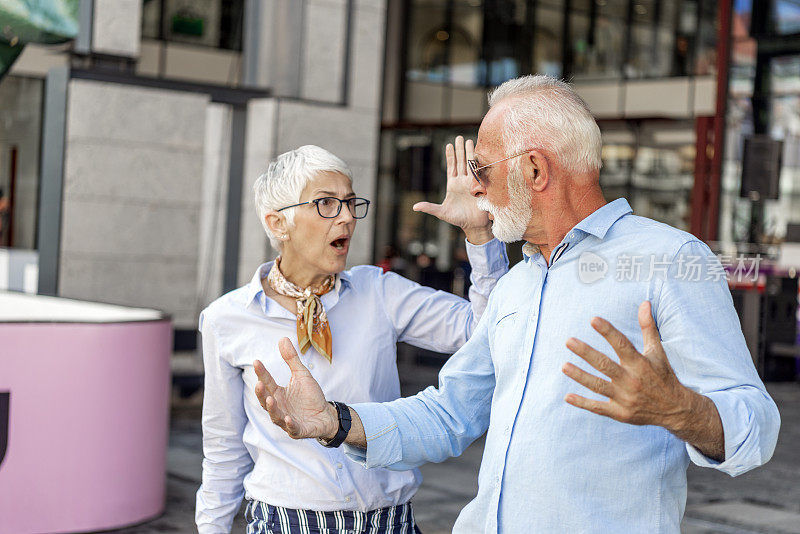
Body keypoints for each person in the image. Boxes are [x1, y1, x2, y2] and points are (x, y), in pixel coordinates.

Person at [253, 76, 781, 533]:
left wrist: (680, 411)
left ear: (533, 169)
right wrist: (334, 422)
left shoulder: (669, 259)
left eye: (480, 170)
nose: (473, 189)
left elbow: (756, 426)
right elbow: (450, 412)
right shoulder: (517, 283)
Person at [195, 144, 509, 533]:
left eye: (349, 202)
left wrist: (480, 236)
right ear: (278, 224)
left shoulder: (379, 291)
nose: (345, 217)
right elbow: (224, 448)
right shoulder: (227, 318)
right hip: (285, 521)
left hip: (388, 521)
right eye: (326, 203)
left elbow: (489, 329)